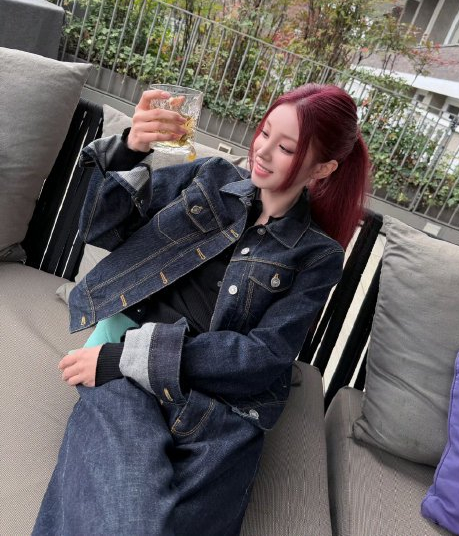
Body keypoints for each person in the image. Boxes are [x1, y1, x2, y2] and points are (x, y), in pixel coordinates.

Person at [32, 83, 370, 536]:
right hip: (125, 375)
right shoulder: (208, 179)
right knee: (131, 521)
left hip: (222, 408)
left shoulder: (317, 255)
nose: (262, 151)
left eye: (286, 147)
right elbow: (101, 227)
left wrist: (131, 357)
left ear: (323, 168)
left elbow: (263, 357)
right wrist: (131, 149)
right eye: (265, 133)